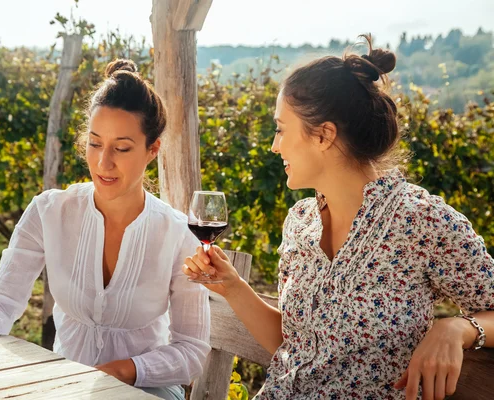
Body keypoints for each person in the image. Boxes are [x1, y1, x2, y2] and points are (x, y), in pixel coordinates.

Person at [183, 35, 494, 400]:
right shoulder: (300, 221)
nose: (273, 144)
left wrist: (458, 328)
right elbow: (292, 344)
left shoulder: (421, 221)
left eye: (281, 128)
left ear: (324, 135)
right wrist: (232, 286)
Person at [0, 59, 211, 400]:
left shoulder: (178, 234)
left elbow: (191, 350)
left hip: (145, 390)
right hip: (63, 388)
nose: (104, 162)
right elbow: (6, 299)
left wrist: (120, 371)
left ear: (152, 150)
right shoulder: (49, 211)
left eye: (122, 148)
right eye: (95, 143)